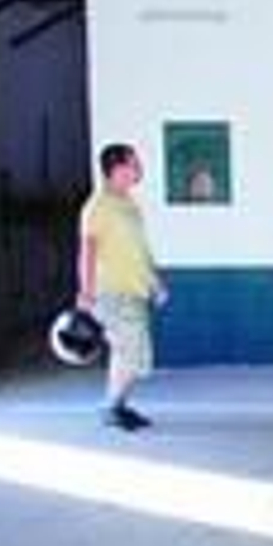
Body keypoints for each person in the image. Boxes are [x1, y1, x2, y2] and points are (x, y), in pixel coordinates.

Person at [76, 142, 168, 432]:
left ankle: (117, 405)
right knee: (131, 353)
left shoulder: (129, 204)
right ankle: (112, 407)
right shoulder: (98, 206)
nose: (139, 169)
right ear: (116, 169)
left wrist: (155, 282)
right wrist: (86, 291)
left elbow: (139, 249)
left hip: (135, 290)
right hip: (112, 292)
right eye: (134, 164)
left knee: (130, 354)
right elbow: (87, 250)